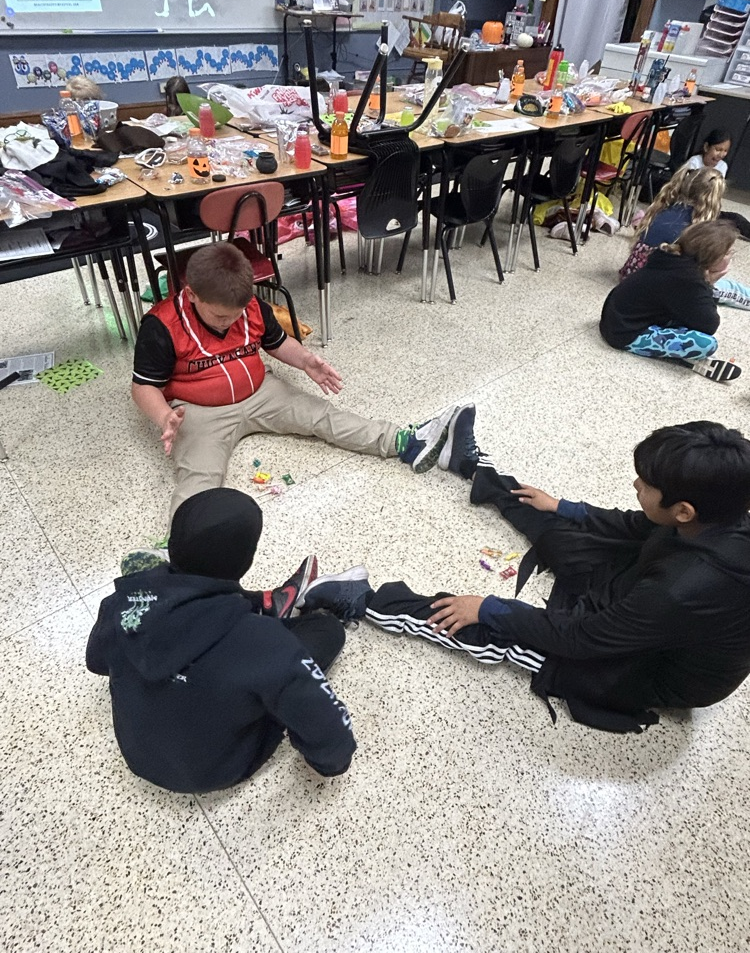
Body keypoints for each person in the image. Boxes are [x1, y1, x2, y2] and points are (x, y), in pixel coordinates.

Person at [363, 413, 750, 732]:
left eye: (646, 485)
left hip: (647, 665)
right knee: (558, 527)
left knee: (498, 628)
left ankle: (360, 601)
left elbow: (581, 639)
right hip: (642, 592)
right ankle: (469, 466)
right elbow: (640, 526)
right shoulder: (721, 511)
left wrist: (489, 608)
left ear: (684, 511)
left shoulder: (678, 590)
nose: (636, 485)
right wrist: (564, 507)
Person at [132, 242, 456, 517]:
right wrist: (164, 417)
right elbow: (143, 386)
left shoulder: (252, 307)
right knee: (200, 479)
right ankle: (182, 559)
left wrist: (305, 361)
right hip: (199, 410)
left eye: (237, 313)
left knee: (322, 415)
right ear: (191, 295)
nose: (231, 321)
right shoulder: (161, 325)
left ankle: (405, 442)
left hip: (261, 392)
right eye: (220, 316)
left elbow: (276, 343)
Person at [86, 487, 361, 793]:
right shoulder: (265, 644)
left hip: (137, 752)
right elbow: (330, 735)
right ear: (246, 561)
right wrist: (331, 765)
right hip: (218, 768)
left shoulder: (125, 600)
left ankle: (255, 603)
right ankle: (262, 607)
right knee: (325, 631)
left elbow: (97, 661)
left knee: (249, 653)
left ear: (172, 546)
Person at [600, 221, 742, 382]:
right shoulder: (688, 278)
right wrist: (708, 284)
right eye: (730, 253)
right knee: (707, 344)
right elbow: (709, 325)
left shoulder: (672, 258)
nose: (731, 257)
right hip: (625, 332)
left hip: (618, 314)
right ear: (715, 257)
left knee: (718, 292)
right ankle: (684, 356)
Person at [619, 167, 750, 310]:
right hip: (659, 287)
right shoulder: (696, 227)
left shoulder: (665, 204)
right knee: (731, 288)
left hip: (631, 276)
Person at [684, 128, 750, 239]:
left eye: (725, 151)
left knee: (736, 219)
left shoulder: (723, 166)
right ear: (706, 147)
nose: (721, 154)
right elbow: (687, 190)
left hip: (709, 210)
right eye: (718, 149)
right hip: (692, 208)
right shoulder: (694, 162)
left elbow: (717, 193)